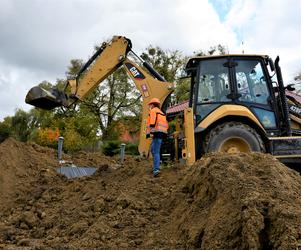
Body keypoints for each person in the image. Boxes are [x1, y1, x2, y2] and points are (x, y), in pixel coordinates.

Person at [146, 98, 169, 177]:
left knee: (155, 151)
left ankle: (156, 169)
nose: (150, 106)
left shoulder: (153, 111)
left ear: (152, 104)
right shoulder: (161, 113)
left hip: (156, 133)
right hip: (161, 133)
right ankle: (158, 163)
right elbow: (166, 125)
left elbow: (152, 123)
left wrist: (150, 133)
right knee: (153, 150)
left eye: (150, 105)